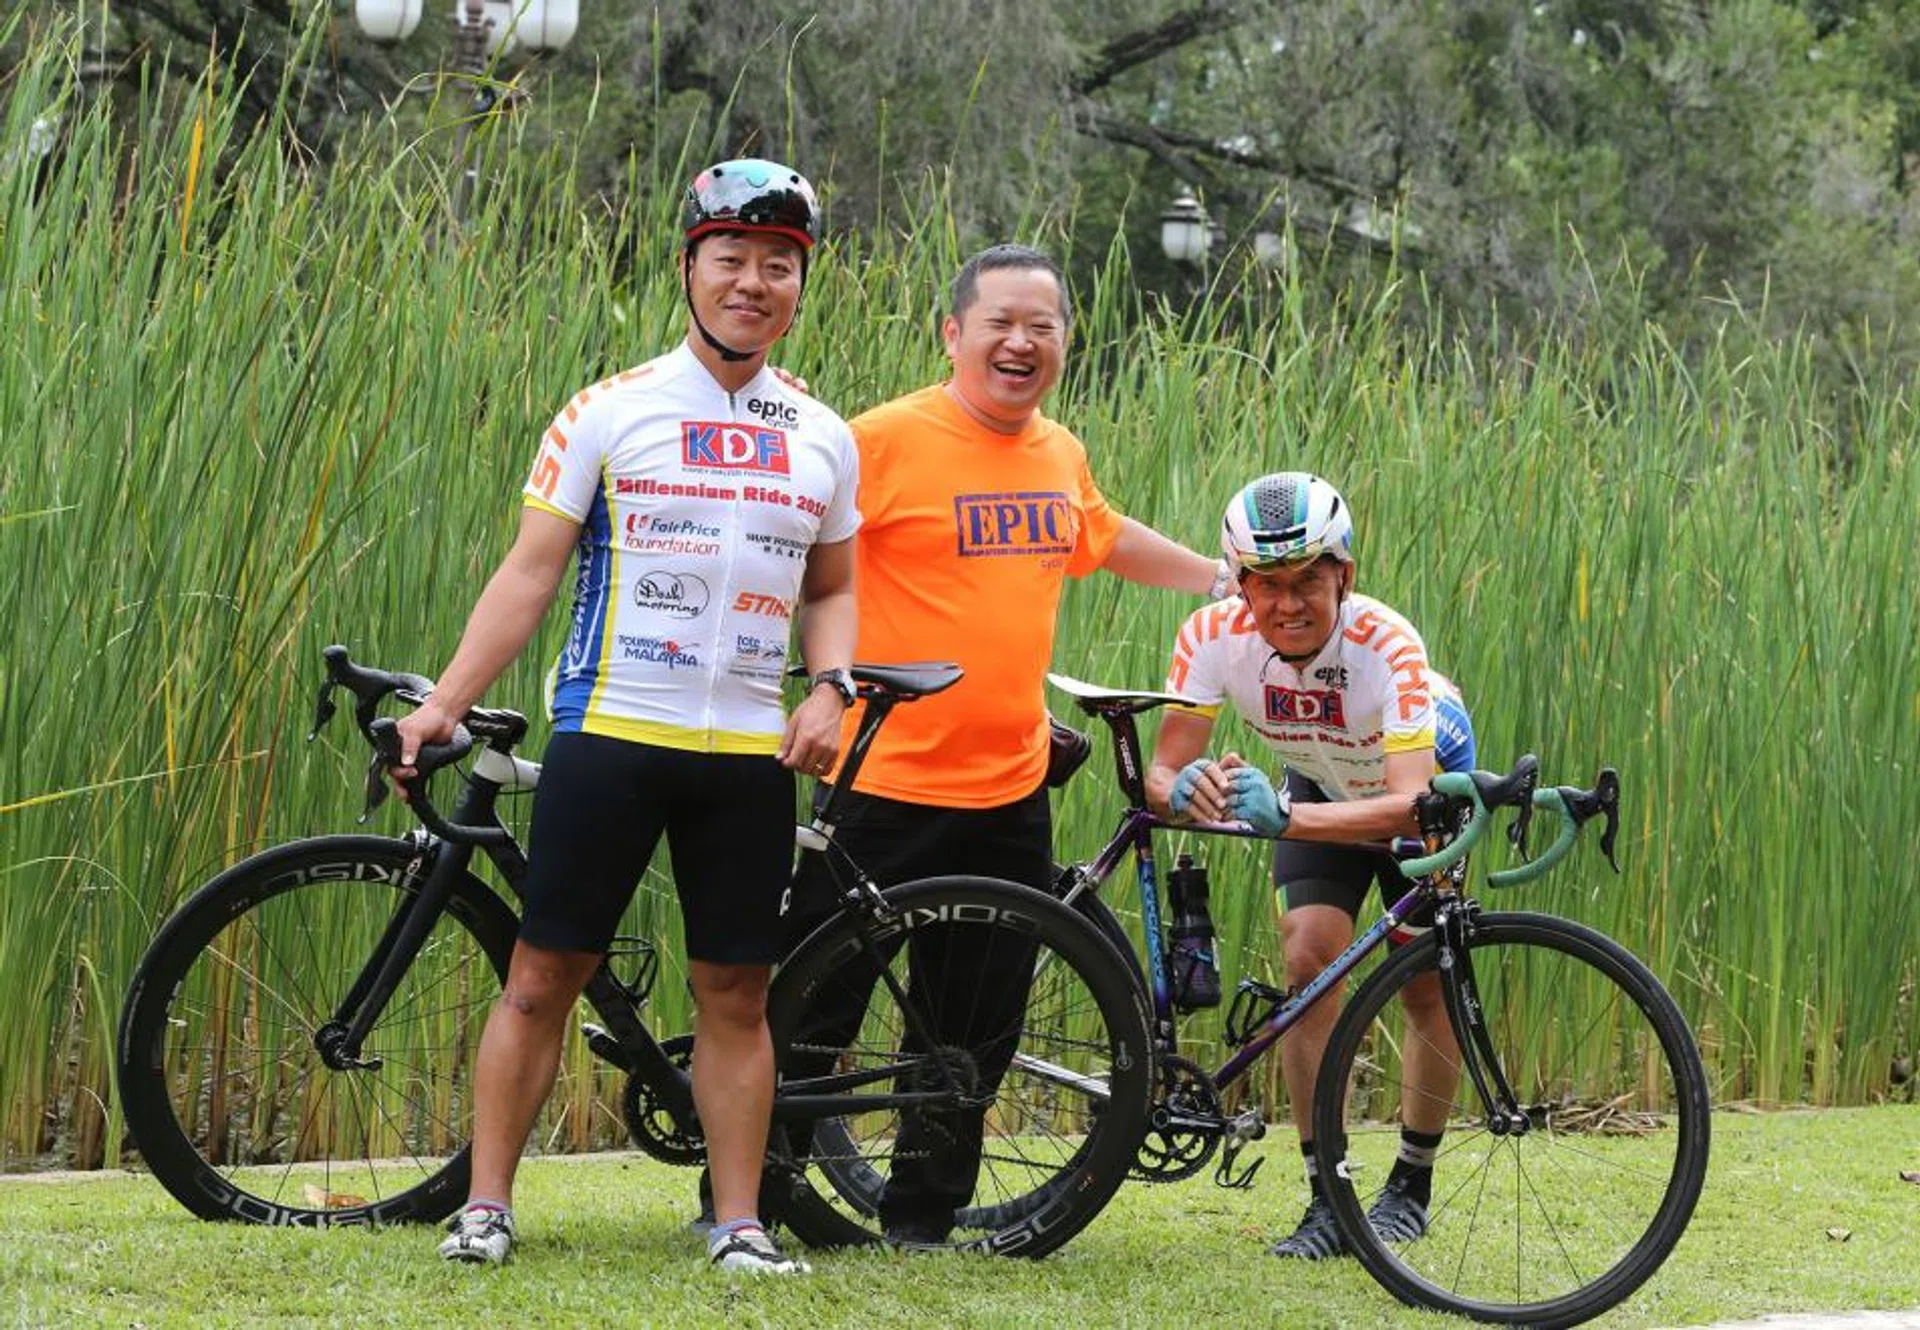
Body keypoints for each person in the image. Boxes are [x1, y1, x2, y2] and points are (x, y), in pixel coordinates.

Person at [393, 158, 860, 1275]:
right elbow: (529, 572)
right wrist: (445, 702)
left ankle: (739, 1221)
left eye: (779, 265)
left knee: (736, 993)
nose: (755, 281)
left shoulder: (823, 436)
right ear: (689, 268)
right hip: (612, 731)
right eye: (733, 259)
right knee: (542, 974)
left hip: (747, 749)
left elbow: (833, 587)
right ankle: (487, 1205)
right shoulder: (609, 410)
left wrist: (833, 686)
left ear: (801, 283)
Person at [775, 242, 1228, 1244]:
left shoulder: (1058, 451)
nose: (1022, 343)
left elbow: (1104, 537)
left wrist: (1220, 580)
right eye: (1001, 324)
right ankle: (758, 1200)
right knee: (817, 1003)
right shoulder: (880, 439)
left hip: (1008, 789)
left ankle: (922, 1215)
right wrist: (776, 406)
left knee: (972, 1022)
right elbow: (790, 527)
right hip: (880, 779)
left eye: (1044, 326)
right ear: (955, 334)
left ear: (1064, 340)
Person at [1147, 471, 1479, 1260]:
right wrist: (1181, 789)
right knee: (1308, 961)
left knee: (1424, 979)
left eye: (1307, 582)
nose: (1287, 604)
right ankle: (1327, 1195)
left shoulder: (1387, 643)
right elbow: (1162, 774)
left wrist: (1289, 817)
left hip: (1420, 793)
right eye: (1266, 585)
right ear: (1239, 583)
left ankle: (1411, 1185)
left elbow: (1406, 803)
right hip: (1319, 785)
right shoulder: (1208, 638)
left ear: (1345, 576)